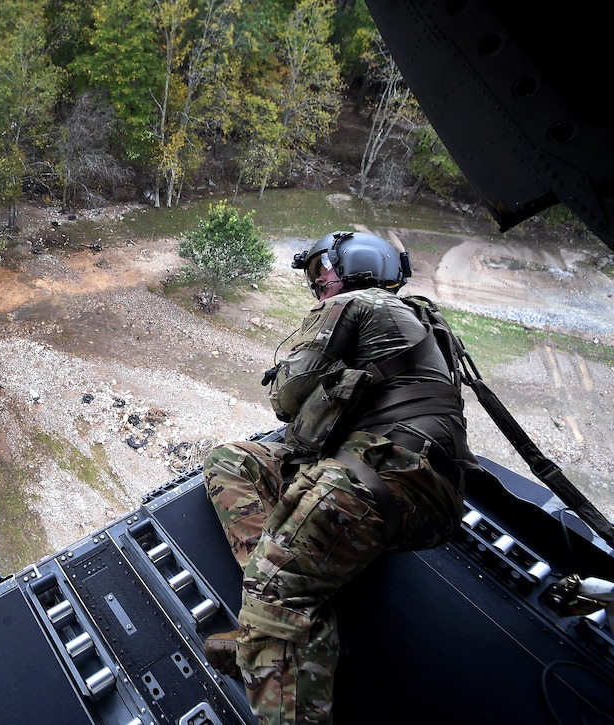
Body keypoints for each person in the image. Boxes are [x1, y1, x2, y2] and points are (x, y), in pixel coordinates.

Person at [202, 231, 486, 724]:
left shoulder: (355, 303)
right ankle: (274, 613)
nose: (316, 286)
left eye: (319, 272)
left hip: (379, 478)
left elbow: (286, 399)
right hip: (417, 492)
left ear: (350, 267)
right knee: (232, 459)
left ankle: (276, 612)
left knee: (279, 590)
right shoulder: (420, 322)